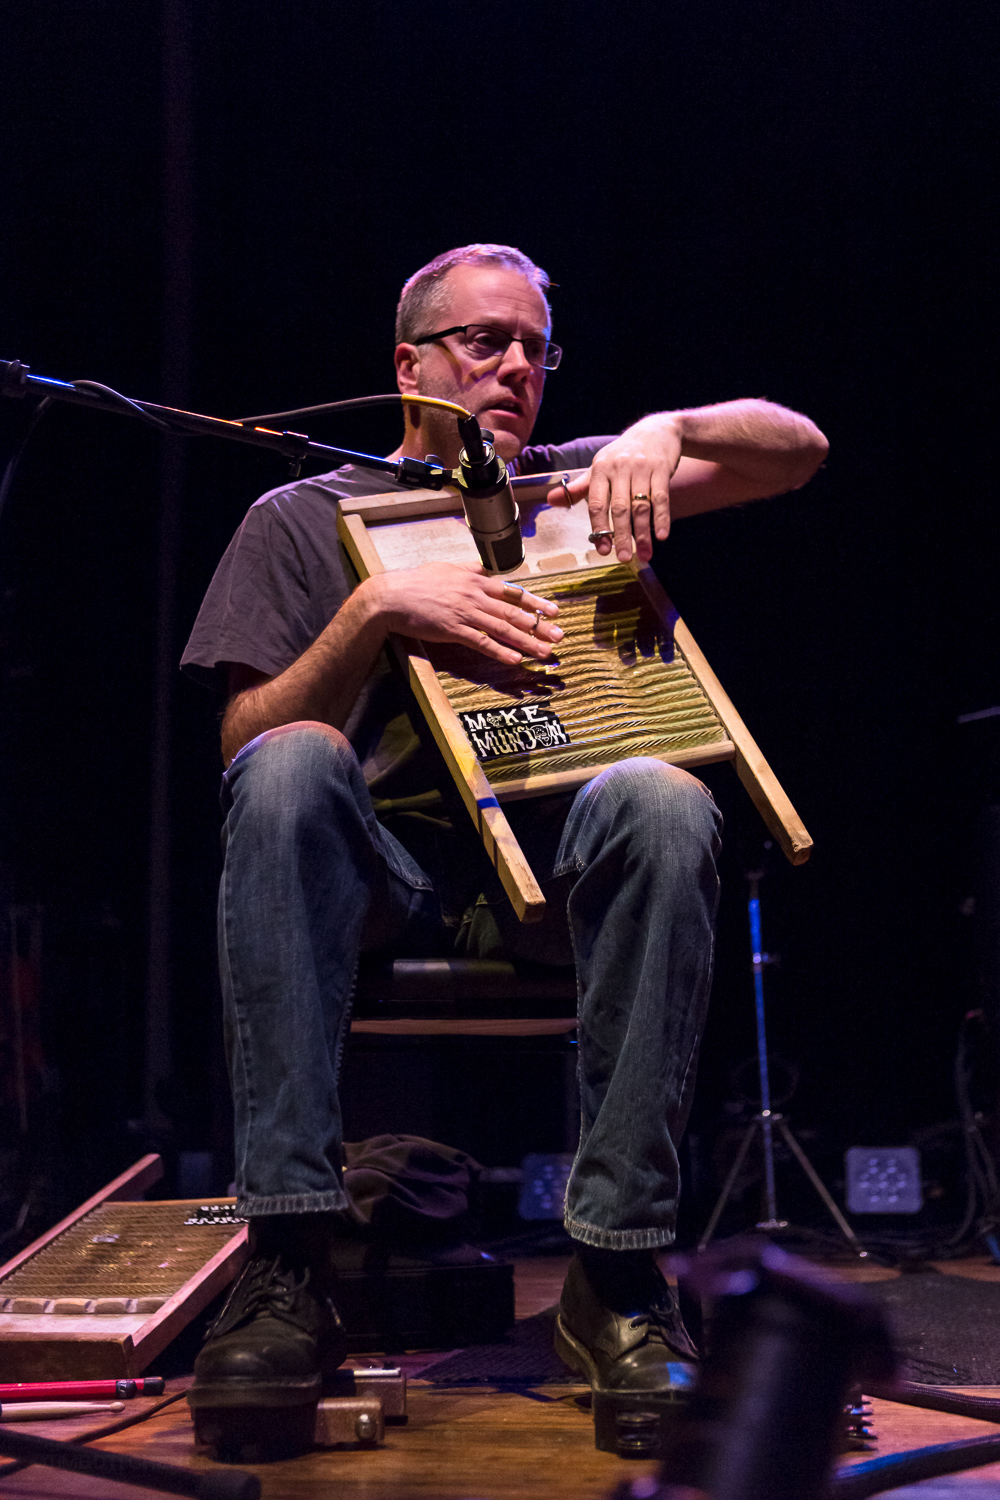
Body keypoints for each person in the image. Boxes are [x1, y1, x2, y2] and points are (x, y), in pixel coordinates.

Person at [181, 243, 828, 1450]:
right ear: (407, 365)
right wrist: (374, 615)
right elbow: (242, 739)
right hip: (381, 887)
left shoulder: (582, 489)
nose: (516, 366)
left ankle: (618, 1277)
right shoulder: (298, 518)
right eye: (485, 341)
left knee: (664, 793)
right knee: (289, 763)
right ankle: (286, 1262)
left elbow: (798, 450)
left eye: (535, 346)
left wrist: (661, 427)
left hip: (552, 882)